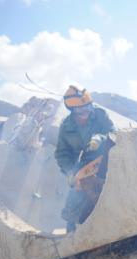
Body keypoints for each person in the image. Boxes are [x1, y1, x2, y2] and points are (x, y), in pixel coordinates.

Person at [54, 85, 115, 232]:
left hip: (104, 159)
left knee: (106, 193)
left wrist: (99, 139)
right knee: (75, 199)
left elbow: (114, 133)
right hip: (82, 165)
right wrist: (70, 172)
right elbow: (62, 153)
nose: (85, 112)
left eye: (88, 107)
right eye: (80, 110)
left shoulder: (100, 115)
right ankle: (72, 229)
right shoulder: (66, 126)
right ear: (72, 110)